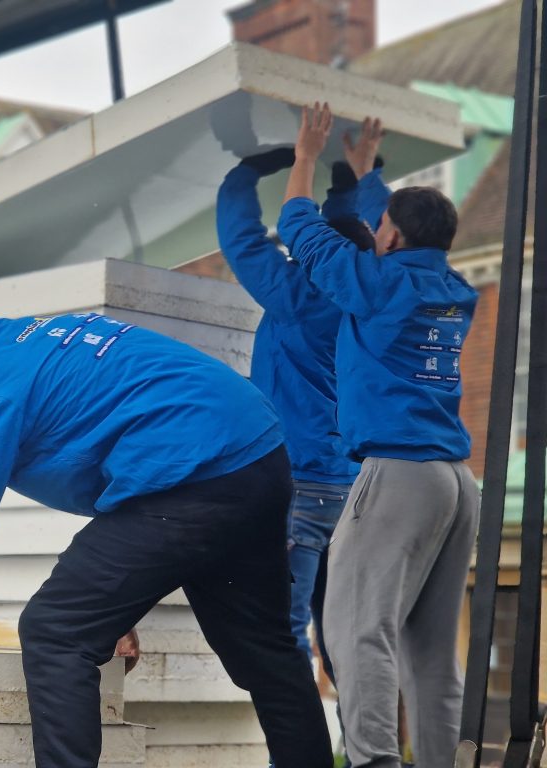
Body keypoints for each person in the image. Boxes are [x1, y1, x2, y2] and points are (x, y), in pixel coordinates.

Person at [0, 301, 333, 767]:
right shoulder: (22, 343)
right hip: (256, 457)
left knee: (55, 631)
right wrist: (117, 606)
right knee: (267, 652)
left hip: (191, 472)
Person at [278, 103, 480, 768]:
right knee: (427, 647)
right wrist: (367, 175)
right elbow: (403, 227)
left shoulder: (372, 281)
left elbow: (299, 231)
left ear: (387, 239)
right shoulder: (451, 285)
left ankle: (374, 763)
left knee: (355, 628)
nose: (375, 229)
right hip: (455, 481)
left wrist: (307, 156)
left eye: (380, 224)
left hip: (396, 476)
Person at [217, 142, 388, 672]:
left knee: (284, 633)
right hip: (356, 489)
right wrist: (352, 182)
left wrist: (245, 174)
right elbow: (354, 237)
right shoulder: (381, 299)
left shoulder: (297, 295)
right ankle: (365, 752)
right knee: (347, 634)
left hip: (296, 485)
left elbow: (243, 242)